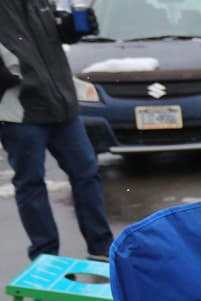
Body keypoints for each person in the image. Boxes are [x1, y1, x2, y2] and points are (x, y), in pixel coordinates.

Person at [0, 0, 113, 262]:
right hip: (20, 110)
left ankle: (101, 248)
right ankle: (46, 256)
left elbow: (56, 36)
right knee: (31, 183)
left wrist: (72, 28)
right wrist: (12, 77)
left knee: (87, 173)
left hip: (61, 105)